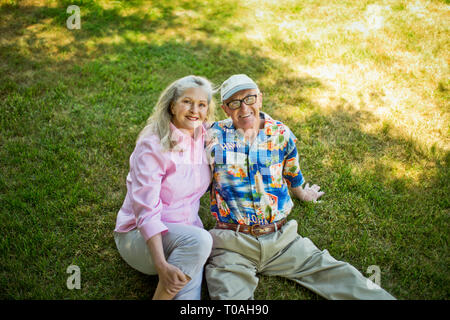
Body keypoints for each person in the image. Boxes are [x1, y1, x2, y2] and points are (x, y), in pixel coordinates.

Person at [204, 74, 396, 300]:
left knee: (342, 277)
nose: (244, 107)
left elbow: (291, 172)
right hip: (232, 245)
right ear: (226, 109)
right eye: (234, 103)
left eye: (249, 98)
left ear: (260, 99)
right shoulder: (212, 136)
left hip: (282, 240)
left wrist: (304, 194)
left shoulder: (280, 134)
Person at [114, 75, 215, 300]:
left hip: (186, 233)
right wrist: (161, 264)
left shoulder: (203, 134)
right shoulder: (153, 145)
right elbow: (146, 212)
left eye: (201, 105)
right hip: (140, 238)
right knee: (200, 241)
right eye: (187, 102)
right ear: (172, 105)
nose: (194, 110)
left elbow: (240, 128)